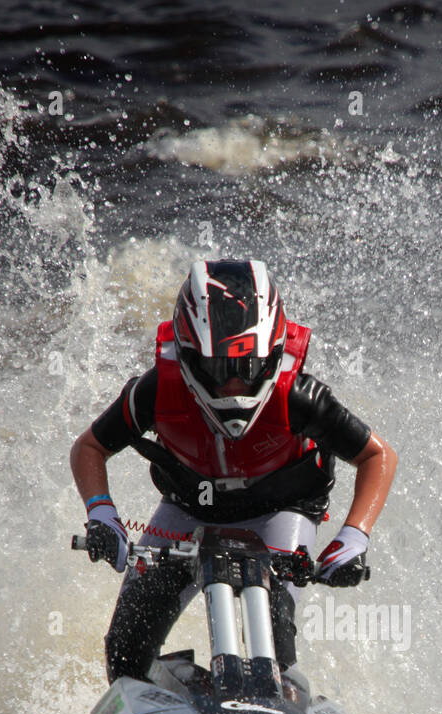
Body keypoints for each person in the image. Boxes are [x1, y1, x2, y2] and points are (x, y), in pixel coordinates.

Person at [69, 258, 397, 682]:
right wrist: (102, 514)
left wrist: (353, 536)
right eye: (219, 369)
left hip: (282, 510)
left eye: (247, 368)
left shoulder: (300, 396)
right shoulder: (154, 391)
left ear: (273, 354)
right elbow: (90, 447)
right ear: (189, 358)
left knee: (275, 650)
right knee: (125, 648)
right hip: (188, 511)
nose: (233, 386)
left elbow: (377, 457)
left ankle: (285, 706)